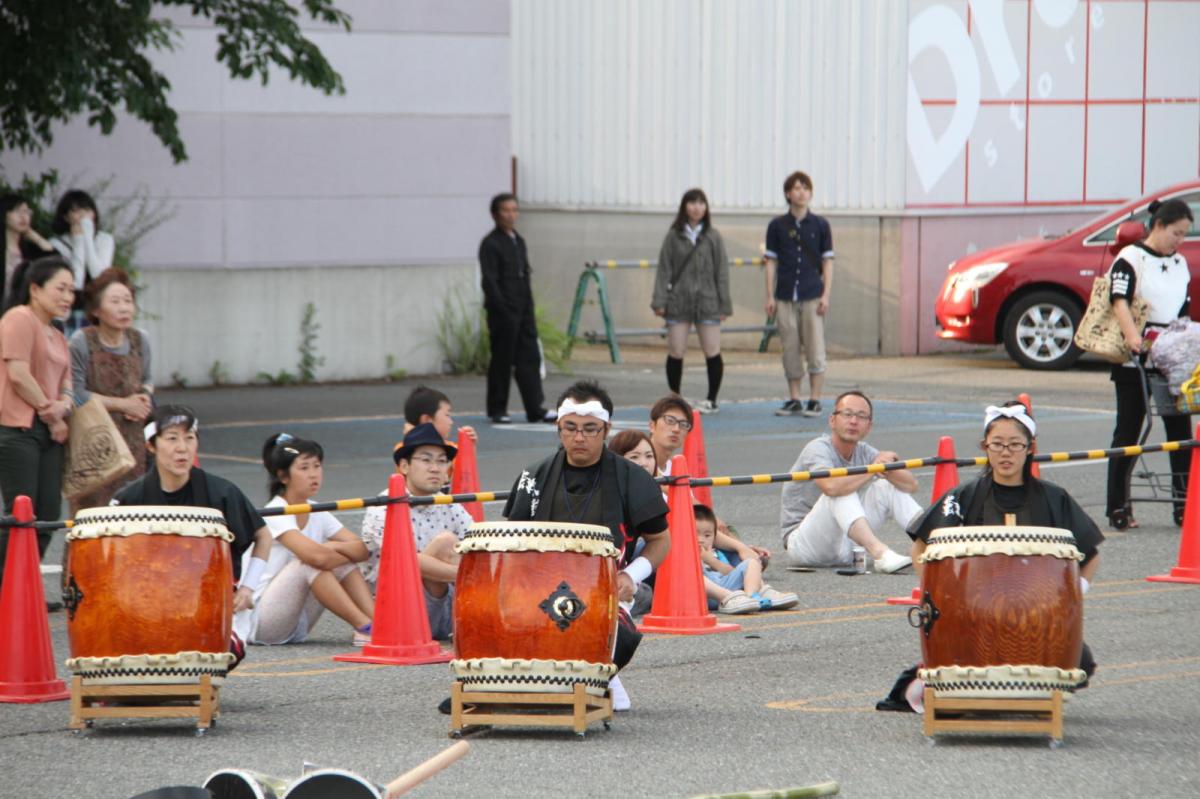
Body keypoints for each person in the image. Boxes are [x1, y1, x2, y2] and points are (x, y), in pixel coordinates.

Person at [878, 402, 1103, 712]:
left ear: (1029, 448)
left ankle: (1013, 693)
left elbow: (1090, 555)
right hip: (975, 615)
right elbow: (919, 547)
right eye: (997, 445)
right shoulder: (965, 497)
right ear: (985, 447)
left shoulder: (1054, 498)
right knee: (973, 666)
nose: (1006, 453)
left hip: (1035, 617)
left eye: (1014, 445)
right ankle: (942, 682)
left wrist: (1075, 592)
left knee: (1080, 663)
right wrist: (941, 593)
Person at [504, 380, 670, 711]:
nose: (579, 438)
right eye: (571, 428)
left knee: (601, 632)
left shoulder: (632, 478)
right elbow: (511, 538)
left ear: (606, 429)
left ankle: (600, 677)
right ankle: (489, 683)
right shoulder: (533, 476)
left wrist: (631, 577)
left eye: (590, 429)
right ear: (559, 428)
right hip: (537, 588)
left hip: (604, 591)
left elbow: (660, 540)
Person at [112, 406, 273, 621]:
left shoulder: (221, 493)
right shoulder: (128, 500)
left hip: (215, 605)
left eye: (189, 438)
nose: (182, 448)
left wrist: (247, 588)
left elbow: (263, 535)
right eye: (172, 439)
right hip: (150, 608)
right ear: (151, 445)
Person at [1107, 198, 1195, 529]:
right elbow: (1119, 302)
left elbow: (1183, 309)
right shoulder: (1130, 258)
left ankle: (1183, 503)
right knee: (1129, 430)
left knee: (1180, 431)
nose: (1180, 240)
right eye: (1176, 232)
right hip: (1137, 356)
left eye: (1184, 234)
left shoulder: (1179, 263)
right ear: (1158, 226)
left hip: (1171, 355)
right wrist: (1133, 338)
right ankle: (1118, 505)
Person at [243, 435, 373, 646]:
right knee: (308, 564)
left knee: (342, 561)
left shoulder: (315, 509)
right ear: (283, 476)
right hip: (261, 622)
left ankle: (380, 625)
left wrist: (333, 547)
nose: (314, 474)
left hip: (297, 621)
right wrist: (332, 551)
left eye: (317, 466)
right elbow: (315, 557)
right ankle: (365, 627)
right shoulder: (275, 512)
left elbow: (362, 549)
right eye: (304, 468)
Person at [0, 256, 74, 597]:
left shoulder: (58, 334)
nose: (68, 296)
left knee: (46, 512)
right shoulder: (19, 318)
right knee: (20, 512)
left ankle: (22, 587)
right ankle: (7, 586)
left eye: (71, 290)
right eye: (60, 288)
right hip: (17, 429)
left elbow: (68, 386)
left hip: (48, 430)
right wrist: (51, 411)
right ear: (34, 288)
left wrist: (63, 407)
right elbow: (18, 374)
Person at [779, 390, 916, 573]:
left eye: (861, 416)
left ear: (869, 426)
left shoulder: (864, 451)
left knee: (885, 485)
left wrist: (890, 466)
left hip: (846, 546)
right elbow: (831, 487)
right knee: (839, 491)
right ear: (832, 420)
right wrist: (874, 468)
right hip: (805, 547)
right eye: (847, 414)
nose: (853, 421)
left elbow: (910, 485)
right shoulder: (817, 448)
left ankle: (932, 543)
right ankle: (881, 554)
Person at [361, 423, 473, 640]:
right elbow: (403, 560)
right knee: (446, 542)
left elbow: (478, 544)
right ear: (404, 466)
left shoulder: (448, 503)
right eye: (426, 460)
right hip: (397, 613)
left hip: (444, 608)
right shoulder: (383, 506)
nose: (435, 468)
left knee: (465, 547)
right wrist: (469, 577)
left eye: (442, 461)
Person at [67, 268, 153, 512]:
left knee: (132, 505)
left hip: (133, 434)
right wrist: (123, 404)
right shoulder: (82, 341)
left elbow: (148, 379)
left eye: (128, 301)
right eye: (115, 301)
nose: (124, 308)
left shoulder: (140, 339)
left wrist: (143, 400)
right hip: (93, 436)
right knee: (92, 510)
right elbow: (76, 392)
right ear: (96, 309)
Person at [651, 188, 731, 414]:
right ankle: (675, 398)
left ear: (706, 208)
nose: (697, 207)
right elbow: (664, 270)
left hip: (708, 301)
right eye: (692, 202)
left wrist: (724, 305)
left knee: (712, 349)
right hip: (678, 301)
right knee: (676, 349)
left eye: (701, 203)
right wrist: (660, 300)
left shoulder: (713, 236)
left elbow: (721, 272)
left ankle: (711, 399)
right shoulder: (673, 236)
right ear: (684, 206)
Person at [478, 193, 555, 425]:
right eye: (506, 210)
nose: (511, 215)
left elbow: (525, 277)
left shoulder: (518, 241)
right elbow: (489, 281)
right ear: (495, 214)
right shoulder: (490, 244)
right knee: (502, 360)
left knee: (529, 358)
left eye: (514, 210)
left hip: (523, 311)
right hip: (503, 313)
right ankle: (497, 408)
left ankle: (535, 408)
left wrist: (528, 310)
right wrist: (503, 309)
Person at [764, 171, 833, 417]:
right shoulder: (776, 226)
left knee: (815, 348)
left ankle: (814, 399)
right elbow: (770, 262)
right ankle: (794, 398)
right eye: (796, 188)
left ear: (810, 193)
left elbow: (827, 263)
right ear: (787, 194)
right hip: (784, 295)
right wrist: (769, 296)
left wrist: (826, 295)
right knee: (789, 348)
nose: (801, 192)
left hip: (812, 294)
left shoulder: (821, 225)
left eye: (805, 187)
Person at [696, 504, 798, 612]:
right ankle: (728, 598)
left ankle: (752, 596)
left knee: (751, 563)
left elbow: (729, 571)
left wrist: (711, 560)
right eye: (695, 533)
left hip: (727, 588)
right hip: (703, 595)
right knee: (695, 576)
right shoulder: (684, 554)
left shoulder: (715, 553)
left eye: (707, 535)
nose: (701, 540)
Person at [50, 190, 115, 334]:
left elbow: (99, 275)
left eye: (87, 210)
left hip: (98, 306)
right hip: (70, 307)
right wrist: (79, 243)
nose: (83, 216)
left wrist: (87, 238)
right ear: (66, 217)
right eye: (76, 211)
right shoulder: (57, 243)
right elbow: (76, 282)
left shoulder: (105, 239)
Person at [2, 193, 55, 310]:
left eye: (27, 212)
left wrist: (35, 237)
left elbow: (55, 263)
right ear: (4, 214)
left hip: (22, 310)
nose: (23, 217)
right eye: (17, 211)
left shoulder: (29, 249)